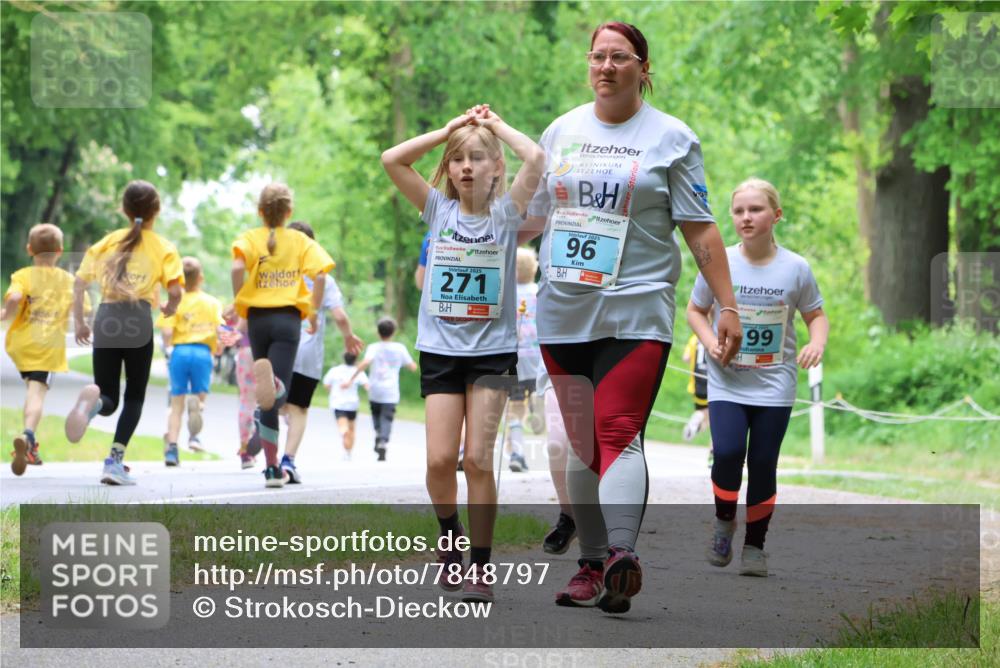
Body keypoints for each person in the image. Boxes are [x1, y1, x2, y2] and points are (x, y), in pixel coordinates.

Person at [523, 22, 742, 614]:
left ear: (643, 67)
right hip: (562, 311)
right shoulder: (561, 130)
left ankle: (620, 554)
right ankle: (591, 566)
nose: (607, 67)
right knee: (579, 443)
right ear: (587, 64)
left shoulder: (672, 137)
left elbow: (698, 226)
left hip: (636, 307)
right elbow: (532, 218)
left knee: (618, 429)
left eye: (620, 57)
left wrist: (726, 303)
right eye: (598, 56)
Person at [381, 103, 545, 603]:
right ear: (449, 168)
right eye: (458, 159)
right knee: (438, 460)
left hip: (492, 352)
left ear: (496, 167)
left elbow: (536, 158)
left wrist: (495, 128)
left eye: (478, 158)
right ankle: (448, 538)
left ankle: (479, 566)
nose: (467, 166)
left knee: (477, 459)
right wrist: (449, 130)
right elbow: (392, 159)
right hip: (440, 352)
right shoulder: (437, 209)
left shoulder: (506, 214)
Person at [688, 178, 828, 577]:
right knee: (729, 453)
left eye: (756, 210)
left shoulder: (796, 268)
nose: (746, 218)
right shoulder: (719, 262)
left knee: (764, 463)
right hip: (728, 379)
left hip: (775, 382)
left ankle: (755, 546)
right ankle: (722, 522)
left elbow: (815, 315)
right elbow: (696, 310)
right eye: (738, 211)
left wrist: (815, 343)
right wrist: (709, 342)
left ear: (776, 216)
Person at [65, 180, 183, 485]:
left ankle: (94, 404)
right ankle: (114, 461)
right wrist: (170, 307)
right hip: (138, 319)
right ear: (156, 210)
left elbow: (78, 284)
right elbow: (176, 290)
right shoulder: (164, 247)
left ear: (124, 209)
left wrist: (80, 322)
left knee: (109, 397)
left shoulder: (106, 243)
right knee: (134, 396)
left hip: (106, 317)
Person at [231, 183, 334, 488]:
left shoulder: (250, 238)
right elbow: (321, 275)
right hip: (288, 318)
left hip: (258, 318)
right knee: (279, 394)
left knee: (266, 405)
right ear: (289, 212)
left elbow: (237, 267)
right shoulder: (300, 241)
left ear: (260, 212)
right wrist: (312, 311)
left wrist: (241, 302)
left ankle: (272, 468)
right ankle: (275, 386)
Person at [278, 220, 364, 484]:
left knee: (275, 403)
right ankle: (288, 461)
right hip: (307, 355)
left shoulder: (277, 273)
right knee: (299, 409)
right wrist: (349, 336)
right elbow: (339, 315)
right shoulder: (323, 279)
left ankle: (270, 430)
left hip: (278, 346)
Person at [3, 224, 83, 474]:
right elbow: (82, 305)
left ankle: (31, 446)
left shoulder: (23, 275)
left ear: (29, 249)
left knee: (32, 389)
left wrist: (6, 312)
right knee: (37, 393)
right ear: (60, 251)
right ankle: (27, 438)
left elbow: (15, 298)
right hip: (47, 347)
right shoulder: (68, 280)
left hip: (22, 345)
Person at [159, 257, 224, 466]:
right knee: (199, 396)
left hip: (180, 351)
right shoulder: (212, 302)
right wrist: (219, 347)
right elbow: (220, 330)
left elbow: (167, 331)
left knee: (176, 404)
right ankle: (195, 432)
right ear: (201, 278)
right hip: (203, 352)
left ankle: (171, 449)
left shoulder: (175, 301)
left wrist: (168, 348)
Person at [346, 316, 416, 461]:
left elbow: (365, 362)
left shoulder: (373, 347)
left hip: (375, 390)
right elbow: (412, 366)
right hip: (391, 391)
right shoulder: (399, 348)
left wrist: (351, 378)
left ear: (378, 333)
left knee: (376, 415)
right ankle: (383, 441)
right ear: (394, 332)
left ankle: (379, 434)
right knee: (387, 418)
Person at [506, 246, 543, 472]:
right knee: (536, 396)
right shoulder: (540, 291)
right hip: (538, 359)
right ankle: (538, 411)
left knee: (515, 407)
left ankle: (517, 452)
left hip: (515, 359)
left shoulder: (508, 293)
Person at [537, 365, 576, 554]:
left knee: (594, 446)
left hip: (602, 366)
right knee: (556, 445)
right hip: (556, 362)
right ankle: (568, 515)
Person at [323, 351, 369, 460]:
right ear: (356, 359)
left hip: (338, 403)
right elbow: (367, 385)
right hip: (352, 404)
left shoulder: (335, 370)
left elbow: (326, 384)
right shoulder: (358, 372)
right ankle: (348, 452)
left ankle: (344, 432)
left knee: (342, 426)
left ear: (344, 358)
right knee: (352, 429)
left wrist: (332, 392)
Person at [681, 332, 712, 464]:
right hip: (713, 384)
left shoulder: (694, 338)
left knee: (705, 414)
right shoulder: (714, 336)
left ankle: (697, 419)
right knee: (716, 420)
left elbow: (686, 357)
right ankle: (713, 455)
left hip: (697, 384)